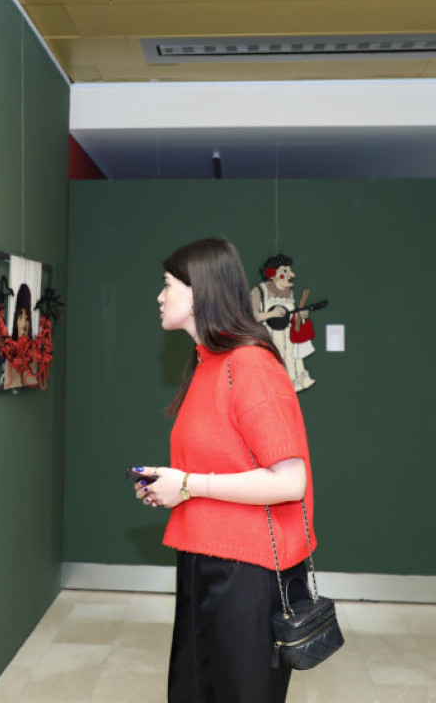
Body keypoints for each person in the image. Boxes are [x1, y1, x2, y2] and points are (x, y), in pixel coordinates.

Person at [133, 237, 316, 703]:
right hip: (202, 560)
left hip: (247, 573)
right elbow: (217, 463)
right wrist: (171, 486)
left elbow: (290, 481)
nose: (160, 296)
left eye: (167, 285)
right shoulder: (207, 364)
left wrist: (188, 485)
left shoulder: (250, 365)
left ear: (199, 291)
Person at [251, 254, 314, 392]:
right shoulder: (260, 292)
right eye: (285, 271)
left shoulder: (289, 293)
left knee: (288, 384)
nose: (291, 275)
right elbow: (251, 317)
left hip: (288, 343)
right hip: (270, 342)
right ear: (272, 273)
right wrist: (271, 314)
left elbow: (289, 317)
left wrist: (300, 316)